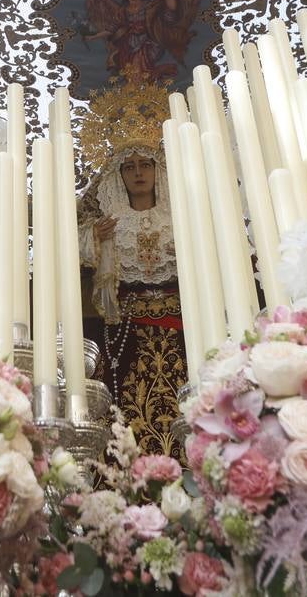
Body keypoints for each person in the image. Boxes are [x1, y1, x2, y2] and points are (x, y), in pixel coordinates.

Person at [78, 139, 187, 460]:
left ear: (159, 170)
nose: (138, 172)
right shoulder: (108, 222)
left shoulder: (180, 215)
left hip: (180, 324)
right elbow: (65, 249)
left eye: (146, 164)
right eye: (129, 167)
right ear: (119, 176)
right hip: (125, 326)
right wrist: (93, 238)